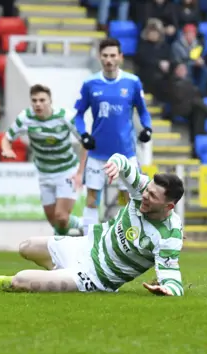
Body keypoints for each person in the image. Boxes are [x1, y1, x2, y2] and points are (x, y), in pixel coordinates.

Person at [0, 153, 185, 296]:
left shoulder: (168, 236)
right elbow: (123, 162)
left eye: (152, 196)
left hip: (94, 275)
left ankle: (62, 279)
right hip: (85, 245)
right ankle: (59, 275)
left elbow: (172, 278)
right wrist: (115, 163)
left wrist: (167, 289)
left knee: (20, 281)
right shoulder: (141, 188)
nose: (144, 196)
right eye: (147, 190)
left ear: (168, 206)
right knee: (26, 247)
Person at [73, 38, 152, 235]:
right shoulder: (90, 83)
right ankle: (89, 242)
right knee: (92, 198)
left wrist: (147, 128)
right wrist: (83, 135)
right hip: (98, 154)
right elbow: (79, 115)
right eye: (105, 55)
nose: (109, 60)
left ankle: (131, 240)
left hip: (125, 154)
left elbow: (143, 111)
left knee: (130, 197)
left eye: (113, 55)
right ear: (100, 57)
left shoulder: (132, 82)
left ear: (120, 57)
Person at [1, 85, 86, 236]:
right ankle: (78, 227)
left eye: (42, 100)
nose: (38, 104)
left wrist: (80, 173)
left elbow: (86, 142)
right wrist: (7, 149)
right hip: (44, 174)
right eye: (34, 101)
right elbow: (7, 138)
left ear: (50, 101)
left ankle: (66, 245)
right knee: (55, 221)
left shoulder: (65, 117)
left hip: (67, 171)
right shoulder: (25, 118)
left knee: (61, 216)